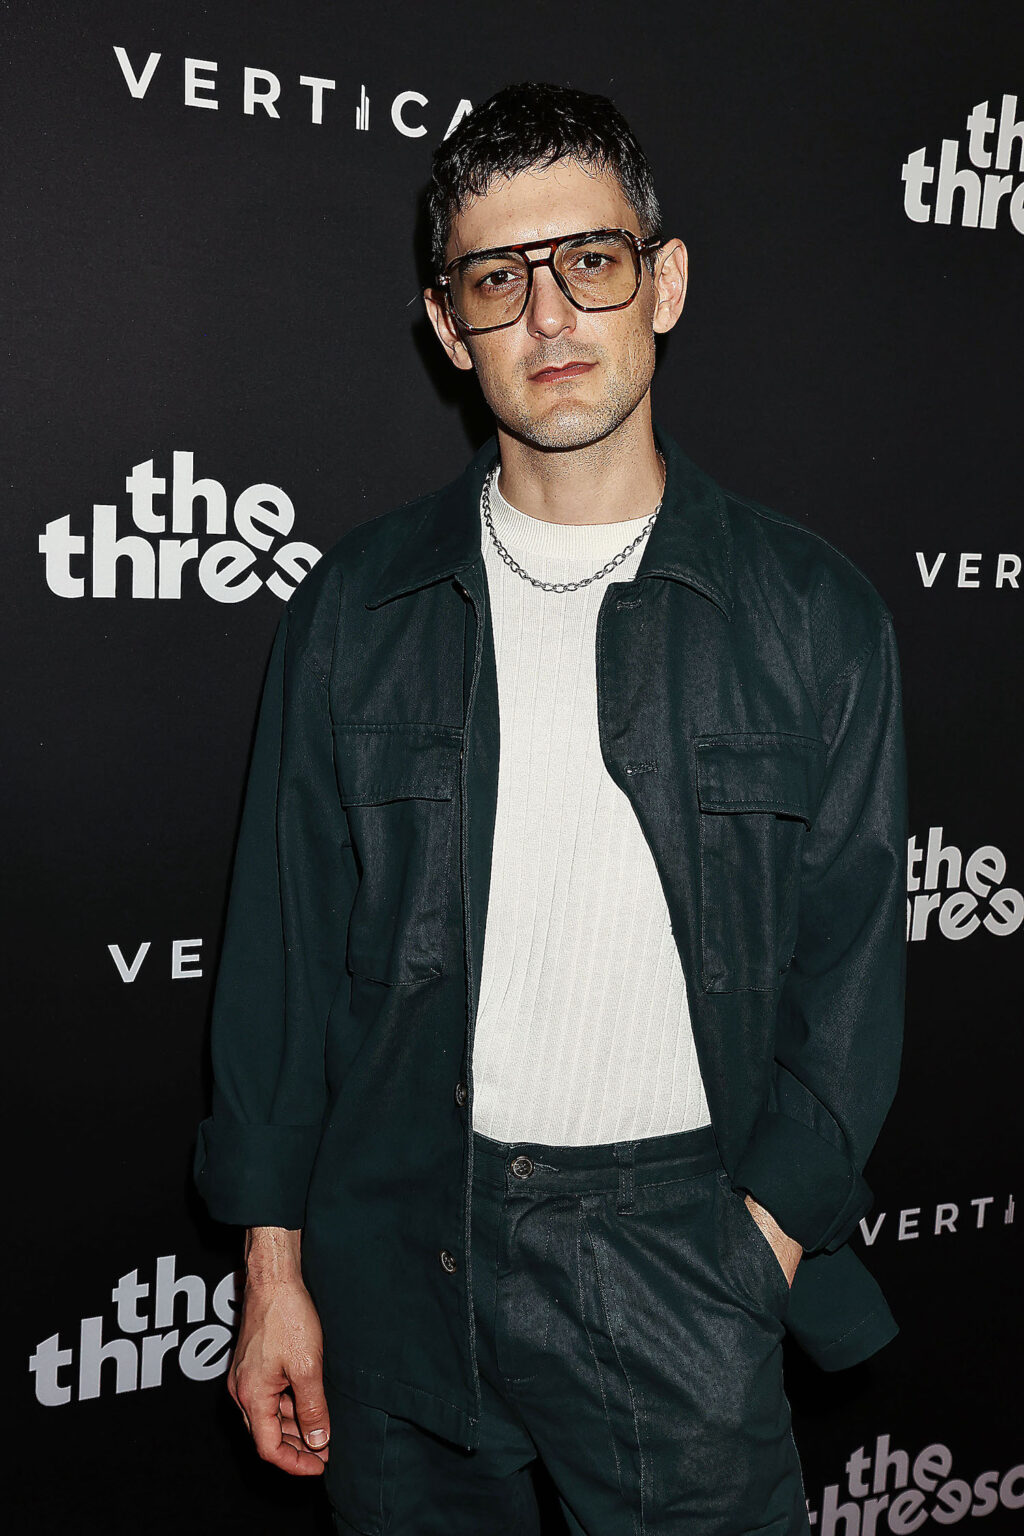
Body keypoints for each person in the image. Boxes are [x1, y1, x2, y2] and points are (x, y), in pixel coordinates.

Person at [194, 80, 908, 1536]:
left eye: (589, 260)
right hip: (399, 1253)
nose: (549, 319)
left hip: (680, 1259)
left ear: (666, 282)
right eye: (496, 280)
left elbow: (852, 983)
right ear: (448, 328)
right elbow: (276, 965)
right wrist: (275, 1274)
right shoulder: (353, 610)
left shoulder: (812, 615)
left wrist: (757, 1242)